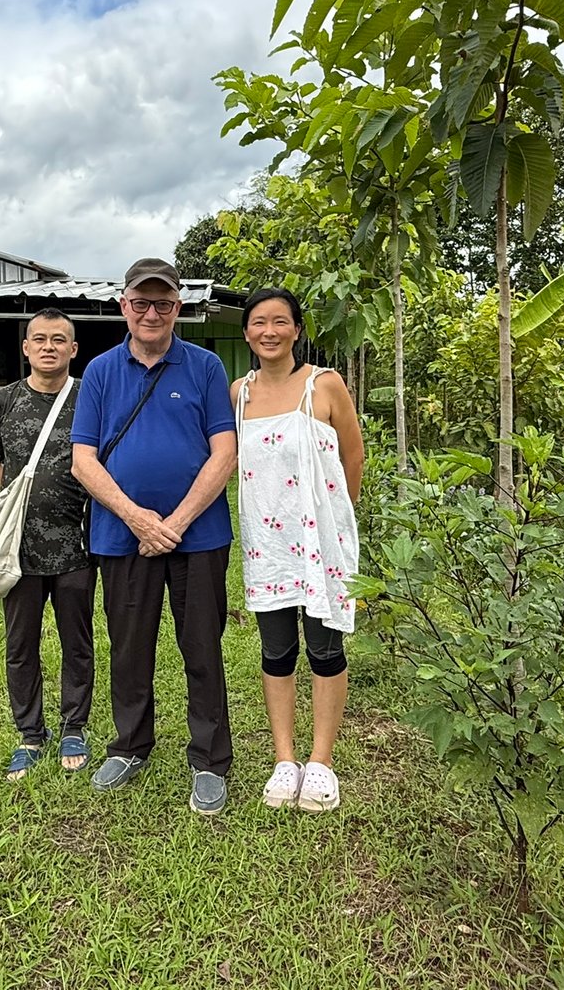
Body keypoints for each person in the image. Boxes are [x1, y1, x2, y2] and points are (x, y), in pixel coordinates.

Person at [71, 258, 238, 815]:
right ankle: (130, 745)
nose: (151, 313)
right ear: (123, 306)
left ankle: (210, 759)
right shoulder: (99, 371)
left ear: (178, 309)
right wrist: (139, 519)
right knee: (129, 646)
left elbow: (224, 453)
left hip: (200, 534)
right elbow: (83, 461)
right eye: (140, 303)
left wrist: (176, 523)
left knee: (202, 646)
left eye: (163, 303)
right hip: (122, 537)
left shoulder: (206, 367)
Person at [230, 288, 364, 812]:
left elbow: (353, 458)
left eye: (280, 321)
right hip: (268, 548)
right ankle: (285, 759)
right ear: (247, 332)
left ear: (297, 329)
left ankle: (322, 761)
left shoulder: (324, 385)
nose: (269, 330)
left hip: (320, 546)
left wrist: (335, 525)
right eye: (259, 322)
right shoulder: (238, 393)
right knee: (276, 651)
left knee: (326, 652)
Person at [0, 308, 96, 781]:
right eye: (40, 339)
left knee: (77, 642)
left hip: (76, 548)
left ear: (73, 349)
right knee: (20, 645)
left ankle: (74, 728)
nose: (49, 347)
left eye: (59, 340)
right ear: (26, 348)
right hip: (17, 552)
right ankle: (30, 734)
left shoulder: (89, 397)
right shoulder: (4, 401)